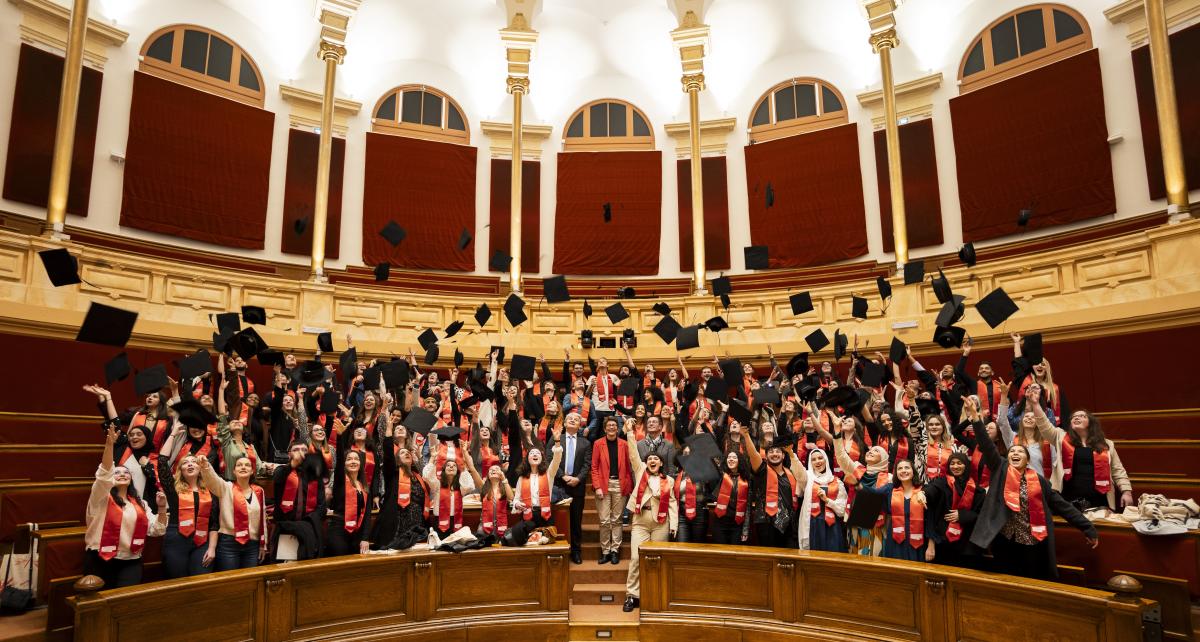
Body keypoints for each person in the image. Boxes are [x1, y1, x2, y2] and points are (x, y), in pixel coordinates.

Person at [970, 397, 1099, 580]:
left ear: (1027, 460)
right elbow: (986, 444)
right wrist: (976, 418)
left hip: (1032, 541)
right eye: (1012, 452)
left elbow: (1061, 506)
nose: (1015, 453)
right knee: (1005, 581)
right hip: (1005, 540)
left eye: (1020, 452)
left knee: (1031, 580)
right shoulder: (1001, 470)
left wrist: (1087, 527)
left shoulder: (1038, 480)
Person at [84, 426, 168, 588]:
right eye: (117, 472)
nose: (122, 474)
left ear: (131, 479)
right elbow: (104, 474)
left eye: (126, 473)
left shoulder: (141, 504)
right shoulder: (100, 497)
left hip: (131, 560)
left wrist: (162, 508)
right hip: (100, 557)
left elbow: (157, 530)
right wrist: (109, 445)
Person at [622, 420, 677, 612]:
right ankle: (632, 595)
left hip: (661, 523)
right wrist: (630, 433)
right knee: (636, 559)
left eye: (657, 459)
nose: (653, 461)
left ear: (661, 463)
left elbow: (672, 503)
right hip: (641, 522)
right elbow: (633, 454)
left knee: (656, 559)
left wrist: (674, 525)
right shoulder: (640, 472)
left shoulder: (668, 480)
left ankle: (654, 593)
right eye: (650, 458)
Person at [741, 421, 806, 548]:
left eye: (778, 452)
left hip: (789, 525)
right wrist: (746, 436)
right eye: (771, 452)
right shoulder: (762, 470)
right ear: (766, 455)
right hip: (766, 523)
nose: (774, 454)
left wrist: (792, 453)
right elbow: (754, 455)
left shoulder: (791, 473)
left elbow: (803, 480)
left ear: (783, 455)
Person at [199, 454, 267, 571]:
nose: (243, 467)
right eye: (239, 465)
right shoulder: (225, 488)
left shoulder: (259, 491)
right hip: (228, 543)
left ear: (252, 471)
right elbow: (212, 479)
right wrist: (205, 465)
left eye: (247, 465)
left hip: (252, 544)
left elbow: (263, 521)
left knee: (249, 582)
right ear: (234, 471)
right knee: (230, 583)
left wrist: (262, 545)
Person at [156, 454, 219, 578]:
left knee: (201, 580)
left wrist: (212, 548)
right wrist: (173, 434)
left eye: (194, 462)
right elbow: (162, 463)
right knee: (177, 582)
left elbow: (214, 524)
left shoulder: (211, 491)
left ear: (200, 468)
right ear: (180, 470)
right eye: (185, 463)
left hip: (202, 542)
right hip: (176, 540)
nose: (190, 464)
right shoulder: (173, 489)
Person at [1059, 410, 1134, 511]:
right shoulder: (1062, 440)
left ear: (1091, 423)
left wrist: (1126, 492)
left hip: (1099, 499)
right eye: (1073, 417)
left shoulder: (1107, 444)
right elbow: (1044, 426)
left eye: (1082, 416)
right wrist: (1035, 404)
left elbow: (1117, 470)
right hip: (1069, 499)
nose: (1076, 418)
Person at [859, 459, 931, 562]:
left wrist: (931, 545)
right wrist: (858, 485)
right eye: (899, 468)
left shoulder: (924, 490)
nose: (903, 471)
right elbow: (873, 494)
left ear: (913, 471)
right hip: (896, 541)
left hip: (918, 542)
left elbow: (931, 519)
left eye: (907, 467)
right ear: (896, 473)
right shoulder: (890, 489)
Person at [591, 416, 632, 564]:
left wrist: (628, 484)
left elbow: (628, 466)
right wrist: (597, 487)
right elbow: (594, 467)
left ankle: (615, 550)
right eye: (609, 425)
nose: (612, 427)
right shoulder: (598, 444)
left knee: (617, 520)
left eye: (614, 425)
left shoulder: (624, 444)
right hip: (603, 484)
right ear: (604, 428)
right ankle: (605, 551)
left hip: (620, 485)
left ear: (618, 428)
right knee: (604, 520)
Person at [554, 412, 591, 564]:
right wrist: (563, 475)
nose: (573, 420)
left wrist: (578, 479)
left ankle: (576, 551)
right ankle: (559, 551)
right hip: (558, 485)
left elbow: (587, 464)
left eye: (576, 419)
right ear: (564, 423)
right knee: (558, 520)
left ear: (579, 425)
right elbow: (550, 459)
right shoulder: (557, 439)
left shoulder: (585, 443)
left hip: (577, 486)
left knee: (576, 521)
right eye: (570, 418)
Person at [798, 449, 847, 553]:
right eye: (813, 459)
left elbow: (843, 510)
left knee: (833, 557)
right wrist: (791, 455)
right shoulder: (807, 478)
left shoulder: (837, 481)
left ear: (826, 460)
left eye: (820, 458)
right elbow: (797, 470)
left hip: (832, 526)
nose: (818, 461)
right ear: (810, 463)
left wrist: (827, 500)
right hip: (813, 525)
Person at [711, 450, 751, 544]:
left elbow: (748, 506)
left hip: (737, 523)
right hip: (720, 522)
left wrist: (745, 529)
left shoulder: (746, 479)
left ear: (740, 461)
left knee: (735, 555)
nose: (731, 459)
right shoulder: (722, 476)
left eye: (734, 457)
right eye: (729, 457)